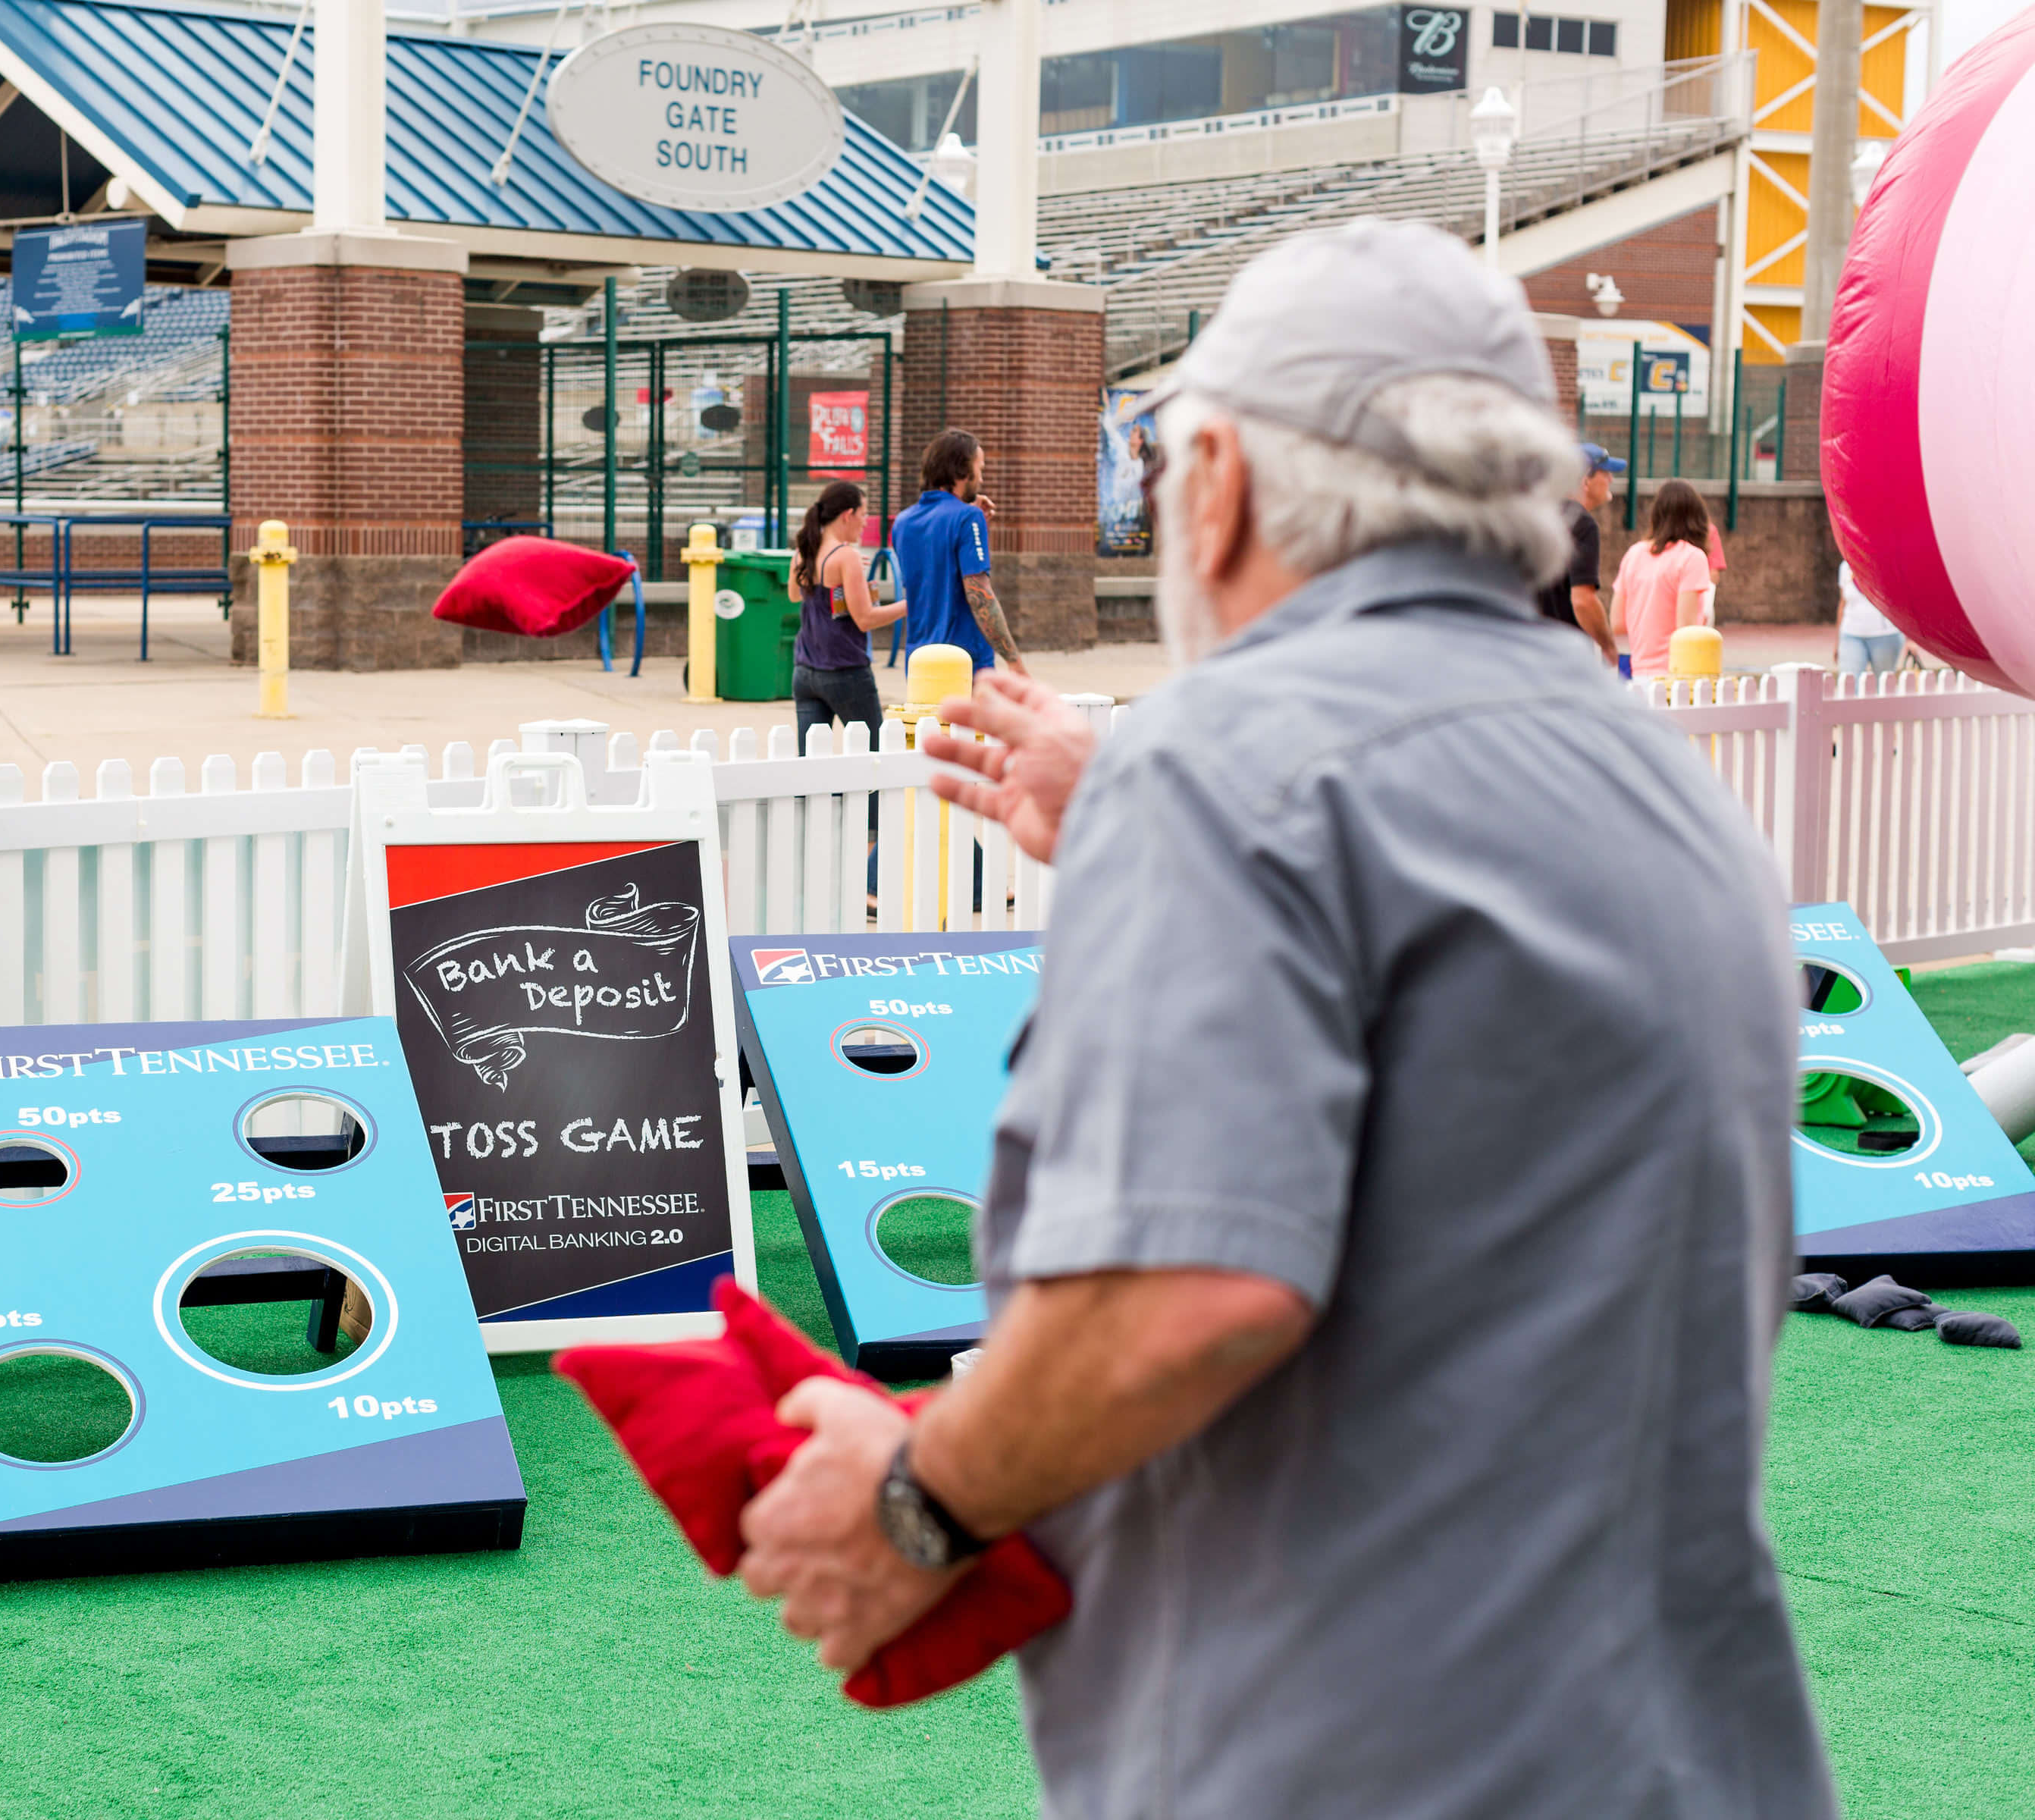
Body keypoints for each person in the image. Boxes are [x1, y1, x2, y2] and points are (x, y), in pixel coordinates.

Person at [733, 218, 1833, 1819]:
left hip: (1347, 1756)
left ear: (1226, 480)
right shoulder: (1671, 795)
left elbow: (1188, 1295)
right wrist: (1147, 810)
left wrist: (919, 1503)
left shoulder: (1232, 774)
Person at [889, 429, 1026, 673]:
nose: (981, 479)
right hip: (963, 663)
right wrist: (1015, 662)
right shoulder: (968, 517)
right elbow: (979, 596)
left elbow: (934, 574)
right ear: (962, 470)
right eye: (980, 469)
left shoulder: (903, 522)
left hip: (919, 663)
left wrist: (973, 527)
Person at [789, 480, 905, 754]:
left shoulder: (803, 552)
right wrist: (911, 605)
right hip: (845, 671)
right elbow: (865, 618)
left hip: (805, 672)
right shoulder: (846, 557)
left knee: (811, 764)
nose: (865, 523)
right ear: (847, 515)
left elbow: (795, 595)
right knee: (872, 756)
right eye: (864, 515)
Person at [1612, 478, 1714, 679]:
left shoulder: (1634, 553)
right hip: (1676, 675)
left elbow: (1617, 623)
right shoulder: (1692, 557)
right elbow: (1686, 630)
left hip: (1637, 672)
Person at [1535, 442, 1623, 662]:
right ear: (1585, 479)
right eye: (1605, 473)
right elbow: (1583, 601)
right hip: (1564, 653)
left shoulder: (1537, 516)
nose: (1611, 480)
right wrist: (1608, 646)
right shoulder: (1582, 525)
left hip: (1529, 646)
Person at [1837, 561, 1902, 674]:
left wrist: (1911, 641)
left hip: (1885, 636)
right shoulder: (1845, 567)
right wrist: (1838, 641)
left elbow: (1904, 602)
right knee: (1849, 684)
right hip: (1851, 634)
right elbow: (1843, 603)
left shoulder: (1888, 564)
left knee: (1883, 686)